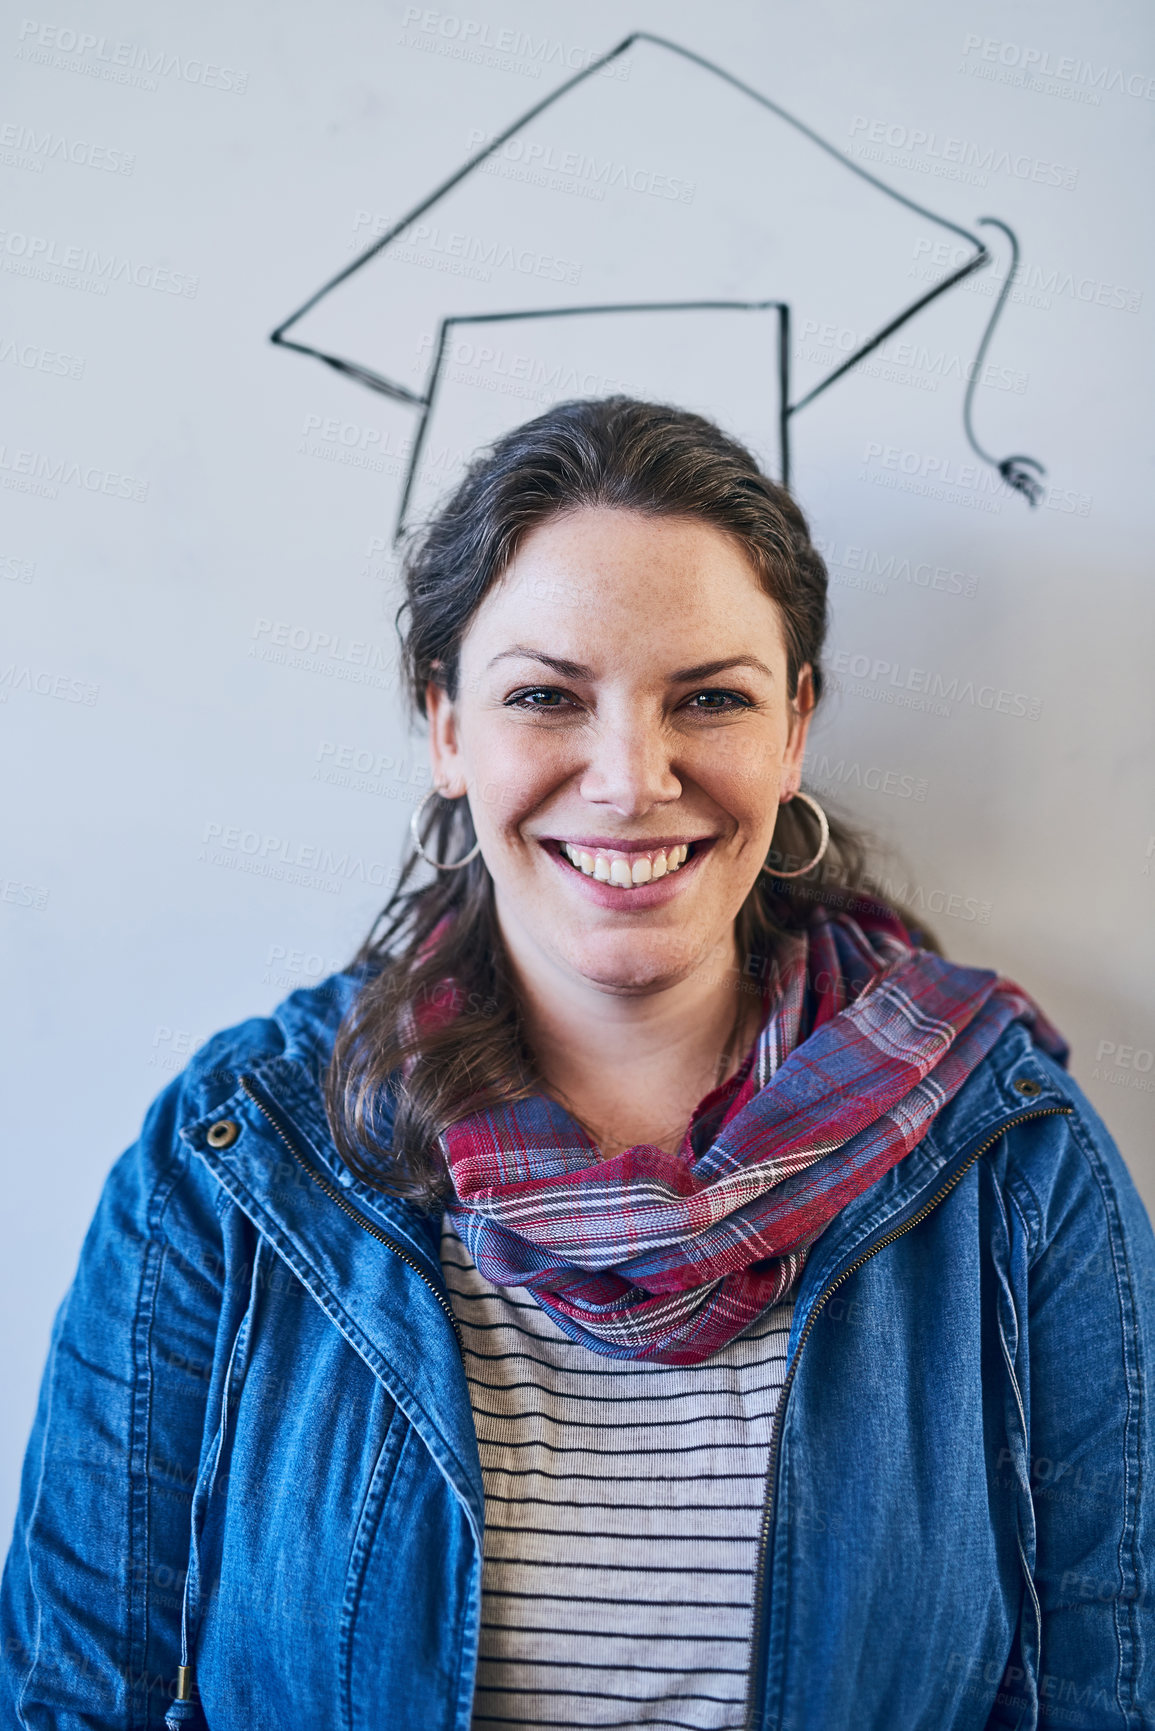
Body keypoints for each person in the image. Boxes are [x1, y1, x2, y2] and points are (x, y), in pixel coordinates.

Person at [2, 397, 1151, 1731]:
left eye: (709, 699)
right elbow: (77, 1698)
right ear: (445, 729)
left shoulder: (1013, 1162)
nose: (628, 778)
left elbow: (1104, 1697)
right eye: (547, 696)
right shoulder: (235, 1154)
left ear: (794, 733)